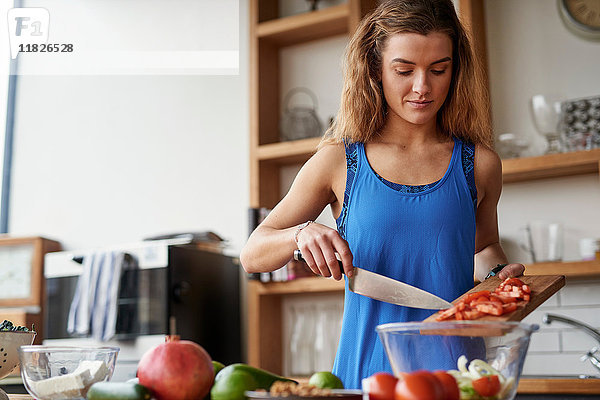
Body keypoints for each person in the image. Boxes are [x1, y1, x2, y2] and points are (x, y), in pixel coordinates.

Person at [240, 0, 525, 389]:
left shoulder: (480, 164)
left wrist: (497, 277)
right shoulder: (338, 161)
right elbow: (253, 253)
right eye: (404, 70)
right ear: (375, 70)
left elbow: (482, 247)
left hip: (459, 378)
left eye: (438, 69)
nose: (422, 87)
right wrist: (302, 232)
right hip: (366, 376)